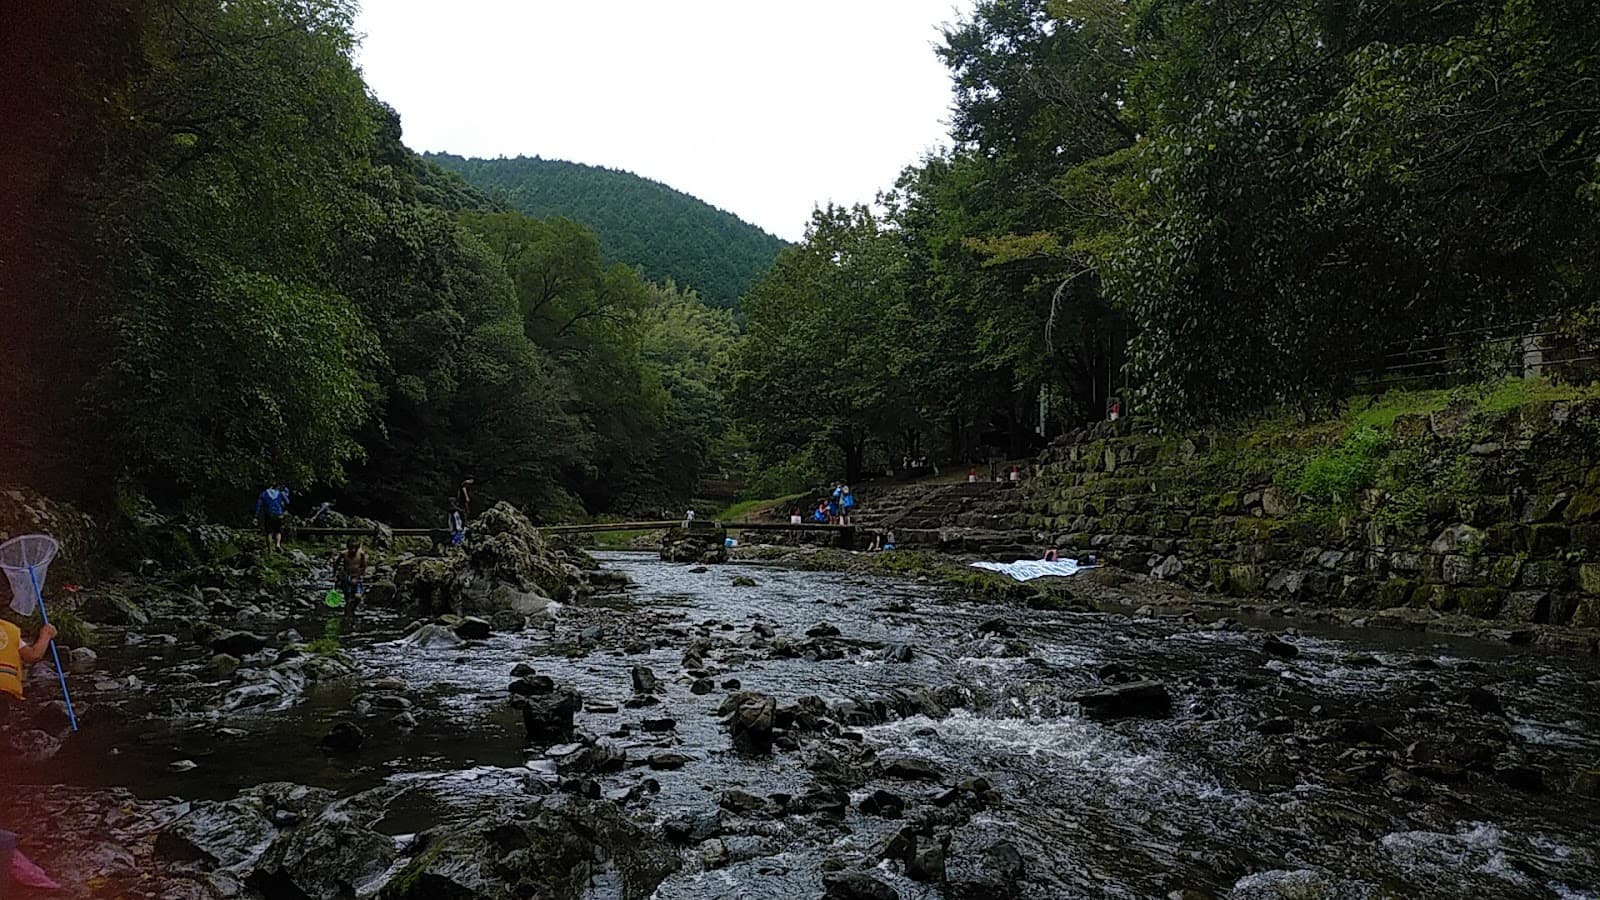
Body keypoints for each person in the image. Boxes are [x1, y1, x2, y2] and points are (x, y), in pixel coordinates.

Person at [254, 485, 290, 552]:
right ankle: (278, 545)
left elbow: (258, 505)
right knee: (278, 531)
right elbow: (287, 502)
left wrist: (256, 515)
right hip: (278, 514)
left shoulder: (264, 493)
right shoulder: (280, 493)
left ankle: (270, 550)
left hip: (269, 514)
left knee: (269, 533)